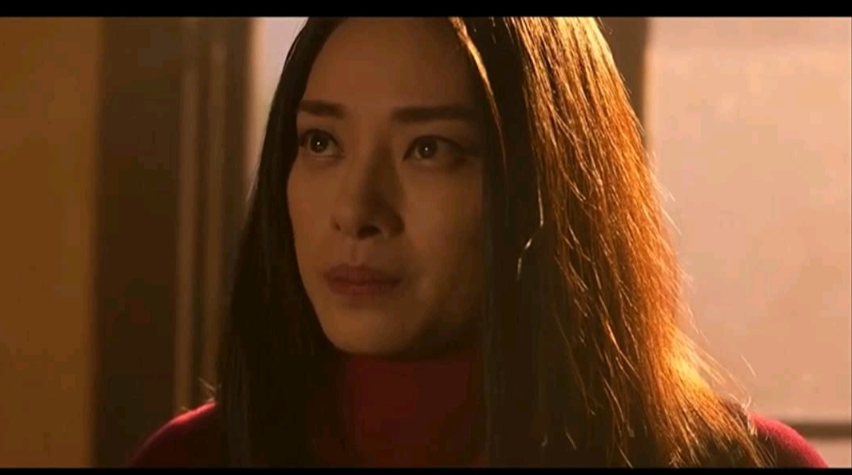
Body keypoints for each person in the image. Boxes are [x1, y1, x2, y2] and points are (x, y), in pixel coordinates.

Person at [129, 17, 829, 467]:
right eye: (320, 142)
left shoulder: (740, 463)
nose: (356, 210)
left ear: (544, 186)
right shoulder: (196, 459)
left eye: (428, 149)